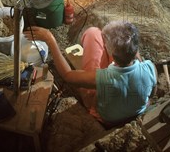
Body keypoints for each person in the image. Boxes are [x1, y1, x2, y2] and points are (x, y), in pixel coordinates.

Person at [24, 21, 157, 125]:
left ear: (111, 54)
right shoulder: (149, 67)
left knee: (92, 33)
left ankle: (92, 105)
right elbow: (152, 92)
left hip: (105, 118)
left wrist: (50, 39)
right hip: (134, 110)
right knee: (95, 33)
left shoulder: (105, 78)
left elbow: (67, 76)